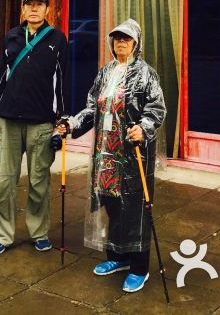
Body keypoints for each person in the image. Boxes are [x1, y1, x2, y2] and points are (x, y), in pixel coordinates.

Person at [59, 18, 165, 293]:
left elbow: (156, 108)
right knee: (112, 206)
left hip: (132, 156)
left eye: (126, 39)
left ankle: (139, 267)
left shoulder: (146, 74)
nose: (121, 42)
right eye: (117, 38)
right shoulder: (105, 72)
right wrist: (71, 124)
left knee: (136, 210)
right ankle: (117, 257)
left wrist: (144, 128)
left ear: (136, 43)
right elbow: (92, 107)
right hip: (106, 154)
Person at [0, 0, 69, 256]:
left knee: (38, 182)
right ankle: (3, 235)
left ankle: (39, 232)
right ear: (23, 9)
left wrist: (62, 119)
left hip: (41, 123)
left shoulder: (57, 40)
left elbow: (62, 82)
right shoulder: (11, 37)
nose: (34, 9)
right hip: (9, 120)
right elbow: (0, 78)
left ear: (47, 9)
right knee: (5, 181)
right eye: (29, 4)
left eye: (39, 4)